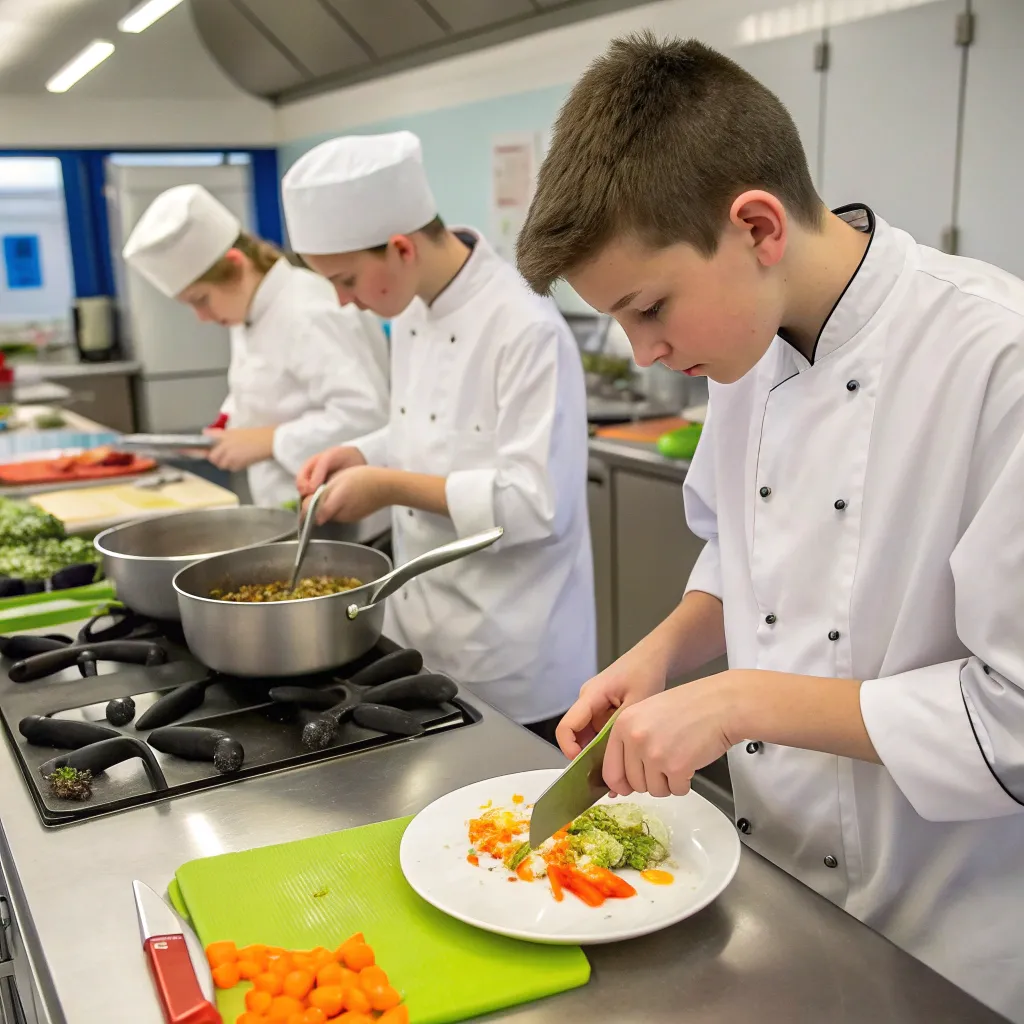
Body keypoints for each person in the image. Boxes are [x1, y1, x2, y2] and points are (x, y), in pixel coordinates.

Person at [515, 31, 1024, 1024]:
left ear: (756, 226)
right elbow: (739, 548)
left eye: (649, 308)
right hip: (770, 889)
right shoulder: (747, 341)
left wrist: (738, 701)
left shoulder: (995, 359)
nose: (645, 351)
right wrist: (662, 654)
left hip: (944, 940)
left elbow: (1013, 722)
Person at [280, 131, 595, 737]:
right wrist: (358, 454)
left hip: (511, 655)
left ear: (401, 248)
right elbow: (422, 434)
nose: (343, 302)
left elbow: (536, 506)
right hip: (418, 636)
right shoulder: (413, 309)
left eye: (346, 280)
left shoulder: (525, 327)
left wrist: (386, 485)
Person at [122, 183, 389, 515]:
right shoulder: (250, 308)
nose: (202, 317)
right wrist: (225, 426)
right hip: (290, 503)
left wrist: (269, 442)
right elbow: (260, 388)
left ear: (237, 264)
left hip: (347, 513)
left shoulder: (308, 310)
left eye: (201, 299)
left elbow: (366, 416)